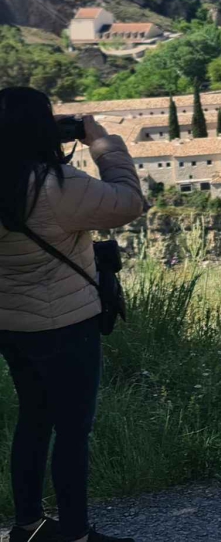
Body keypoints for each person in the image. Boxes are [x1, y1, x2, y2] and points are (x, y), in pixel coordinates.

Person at [0, 88, 146, 542]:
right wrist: (101, 141)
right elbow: (128, 201)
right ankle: (76, 534)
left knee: (33, 419)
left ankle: (27, 525)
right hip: (67, 325)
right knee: (72, 431)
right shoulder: (56, 186)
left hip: (11, 325)